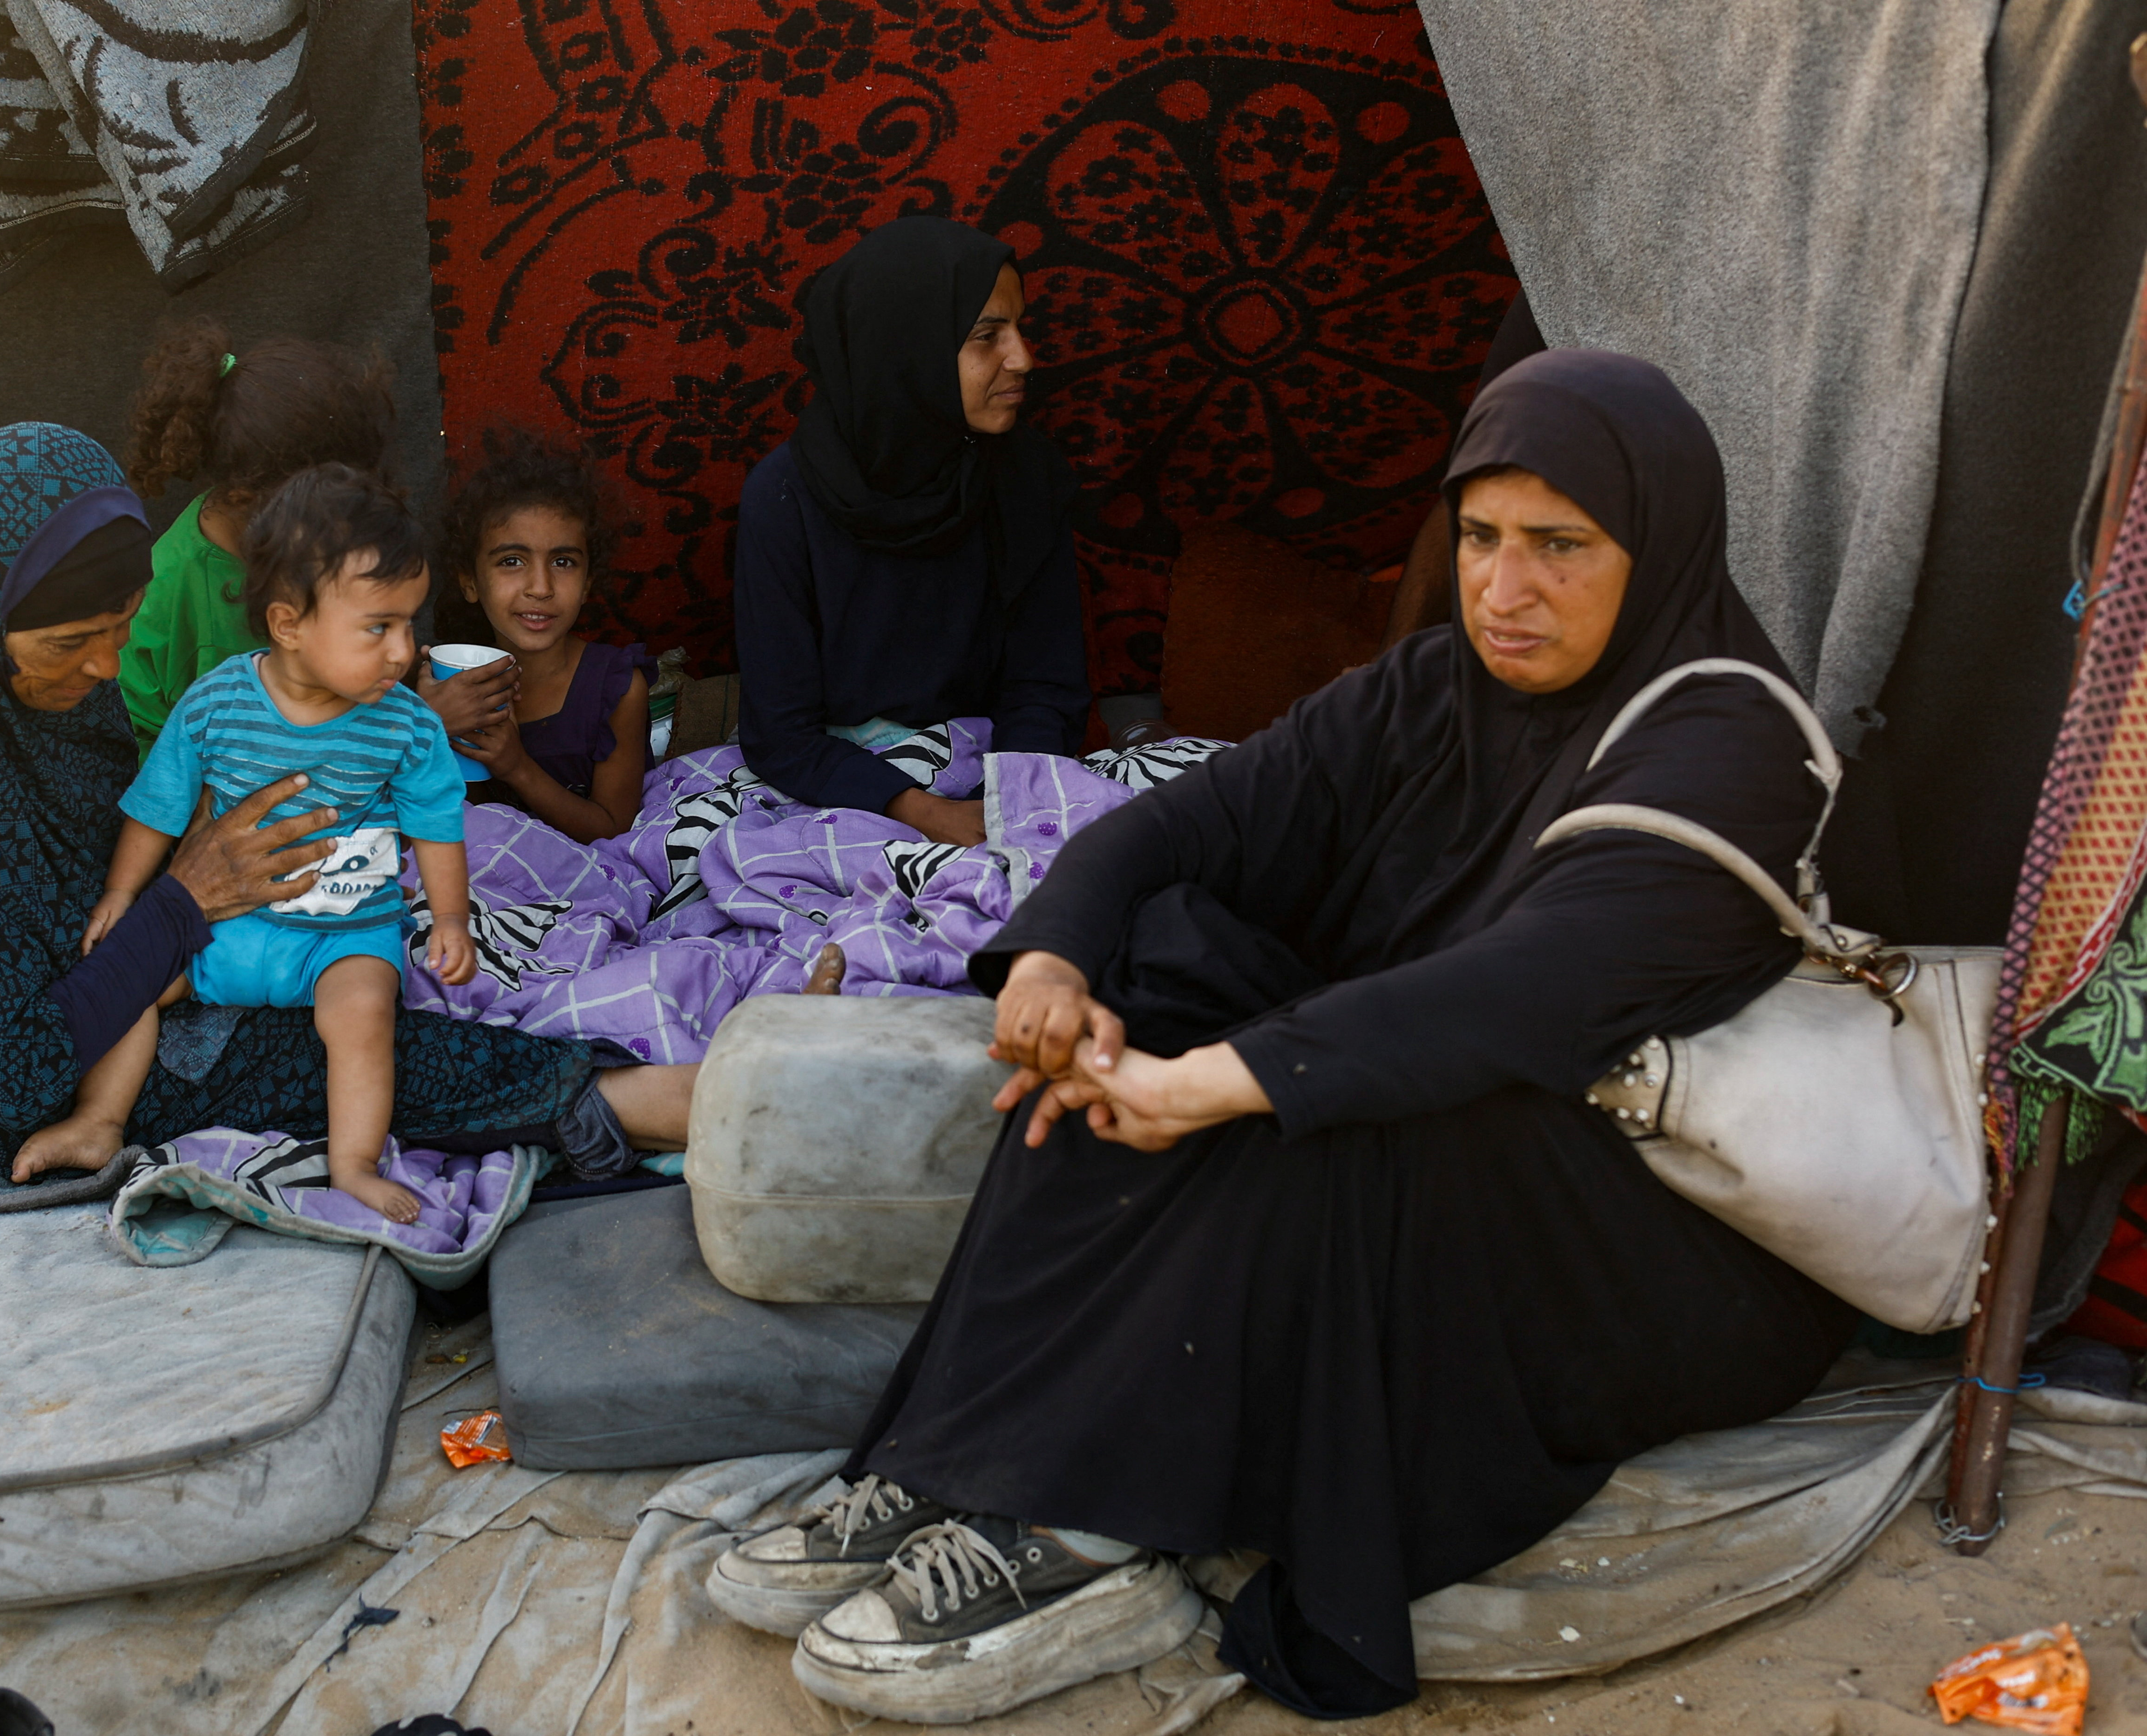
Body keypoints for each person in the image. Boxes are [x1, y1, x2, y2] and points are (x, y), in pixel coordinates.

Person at [704, 353, 1858, 1723]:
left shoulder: (1726, 740)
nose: (1504, 588)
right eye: (1481, 538)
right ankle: (965, 1447)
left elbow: (1525, 992)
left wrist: (1214, 1084)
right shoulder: (1436, 687)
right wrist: (1061, 965)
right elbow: (1185, 822)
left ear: (1655, 546)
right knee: (1163, 966)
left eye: (1562, 547)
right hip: (1459, 1136)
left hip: (1655, 1246)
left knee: (1331, 1103)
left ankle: (1094, 1526)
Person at [0, 423, 696, 1190]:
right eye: (75, 641)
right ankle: (631, 1103)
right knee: (313, 1051)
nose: (110, 666)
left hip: (105, 982)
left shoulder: (17, 691)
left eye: (122, 627)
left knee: (359, 978)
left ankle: (625, 1086)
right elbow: (11, 1069)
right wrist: (183, 909)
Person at [51, 465, 481, 1223]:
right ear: (289, 625)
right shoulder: (216, 701)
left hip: (345, 935)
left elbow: (437, 824)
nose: (403, 650)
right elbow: (158, 806)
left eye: (411, 623)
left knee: (363, 1015)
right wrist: (123, 896)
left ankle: (352, 1163)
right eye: (378, 627)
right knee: (133, 984)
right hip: (225, 930)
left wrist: (450, 920)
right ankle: (99, 1122)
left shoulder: (406, 723)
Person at [734, 217, 1088, 848]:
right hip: (844, 790)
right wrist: (925, 815)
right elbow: (782, 734)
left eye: (1018, 328)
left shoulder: (1024, 479)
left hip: (996, 773)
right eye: (987, 336)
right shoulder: (784, 499)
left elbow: (1046, 685)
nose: (1023, 358)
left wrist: (1010, 809)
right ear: (907, 347)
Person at [115, 319, 396, 753]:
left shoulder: (335, 539)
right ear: (247, 498)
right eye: (323, 511)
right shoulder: (167, 602)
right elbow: (138, 763)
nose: (343, 527)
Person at [419, 425, 653, 844]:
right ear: (470, 582)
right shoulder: (433, 690)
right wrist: (424, 724)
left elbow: (615, 831)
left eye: (563, 562)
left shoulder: (614, 691)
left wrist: (517, 767)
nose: (541, 587)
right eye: (512, 561)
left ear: (586, 584)